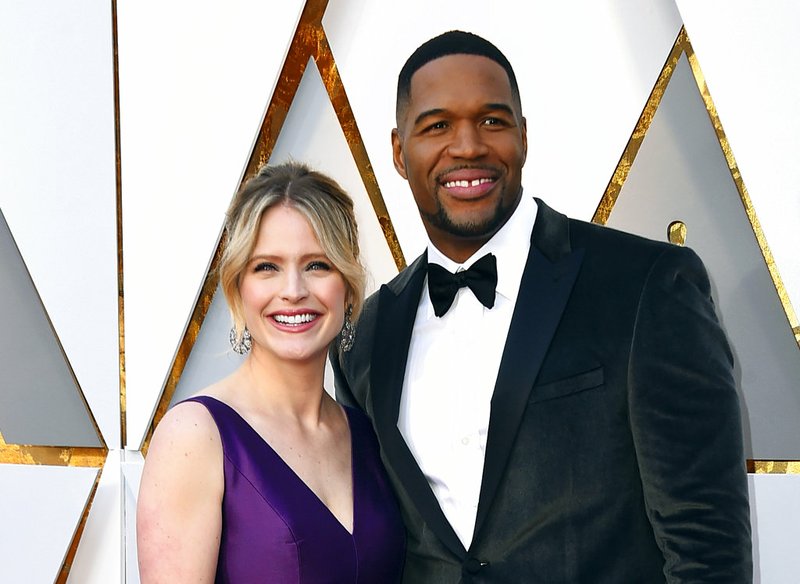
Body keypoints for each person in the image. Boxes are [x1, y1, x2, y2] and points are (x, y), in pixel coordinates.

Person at [331, 30, 752, 583]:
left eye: (492, 121)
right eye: (437, 126)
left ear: (523, 137)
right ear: (398, 151)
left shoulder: (645, 286)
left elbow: (707, 545)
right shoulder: (367, 335)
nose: (467, 147)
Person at [137, 162, 405, 583]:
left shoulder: (369, 435)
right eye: (267, 267)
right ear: (238, 288)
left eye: (318, 264)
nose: (294, 290)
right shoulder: (194, 436)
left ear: (348, 287)